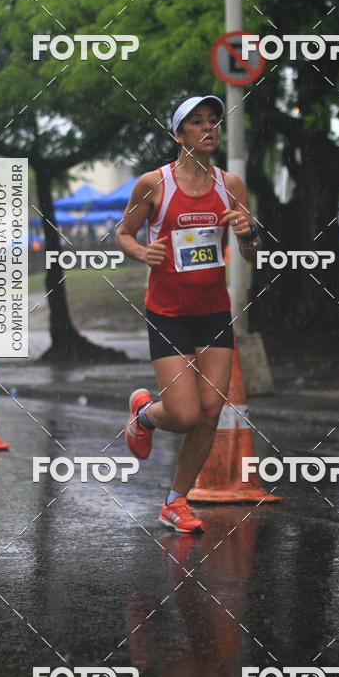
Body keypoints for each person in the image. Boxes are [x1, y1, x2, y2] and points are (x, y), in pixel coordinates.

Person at [116, 95, 261, 534]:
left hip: (214, 310)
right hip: (168, 312)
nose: (208, 128)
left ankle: (175, 501)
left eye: (212, 121)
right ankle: (144, 415)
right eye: (196, 123)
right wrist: (144, 251)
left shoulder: (230, 185)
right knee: (182, 415)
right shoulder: (153, 184)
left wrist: (248, 234)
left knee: (210, 411)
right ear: (179, 136)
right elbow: (122, 233)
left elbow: (251, 253)